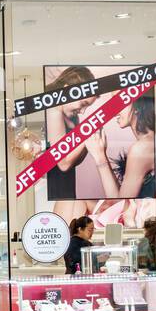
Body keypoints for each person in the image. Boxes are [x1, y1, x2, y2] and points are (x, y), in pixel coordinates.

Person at [45, 66, 100, 225]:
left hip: (66, 190)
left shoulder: (71, 116)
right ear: (68, 90)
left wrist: (87, 138)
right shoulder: (54, 111)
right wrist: (87, 132)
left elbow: (74, 159)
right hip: (57, 191)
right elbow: (63, 163)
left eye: (87, 106)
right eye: (83, 104)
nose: (83, 111)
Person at [85, 94, 156, 199]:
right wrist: (100, 155)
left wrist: (100, 158)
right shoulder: (148, 143)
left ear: (137, 106)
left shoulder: (142, 148)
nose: (114, 112)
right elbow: (118, 198)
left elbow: (121, 204)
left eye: (121, 103)